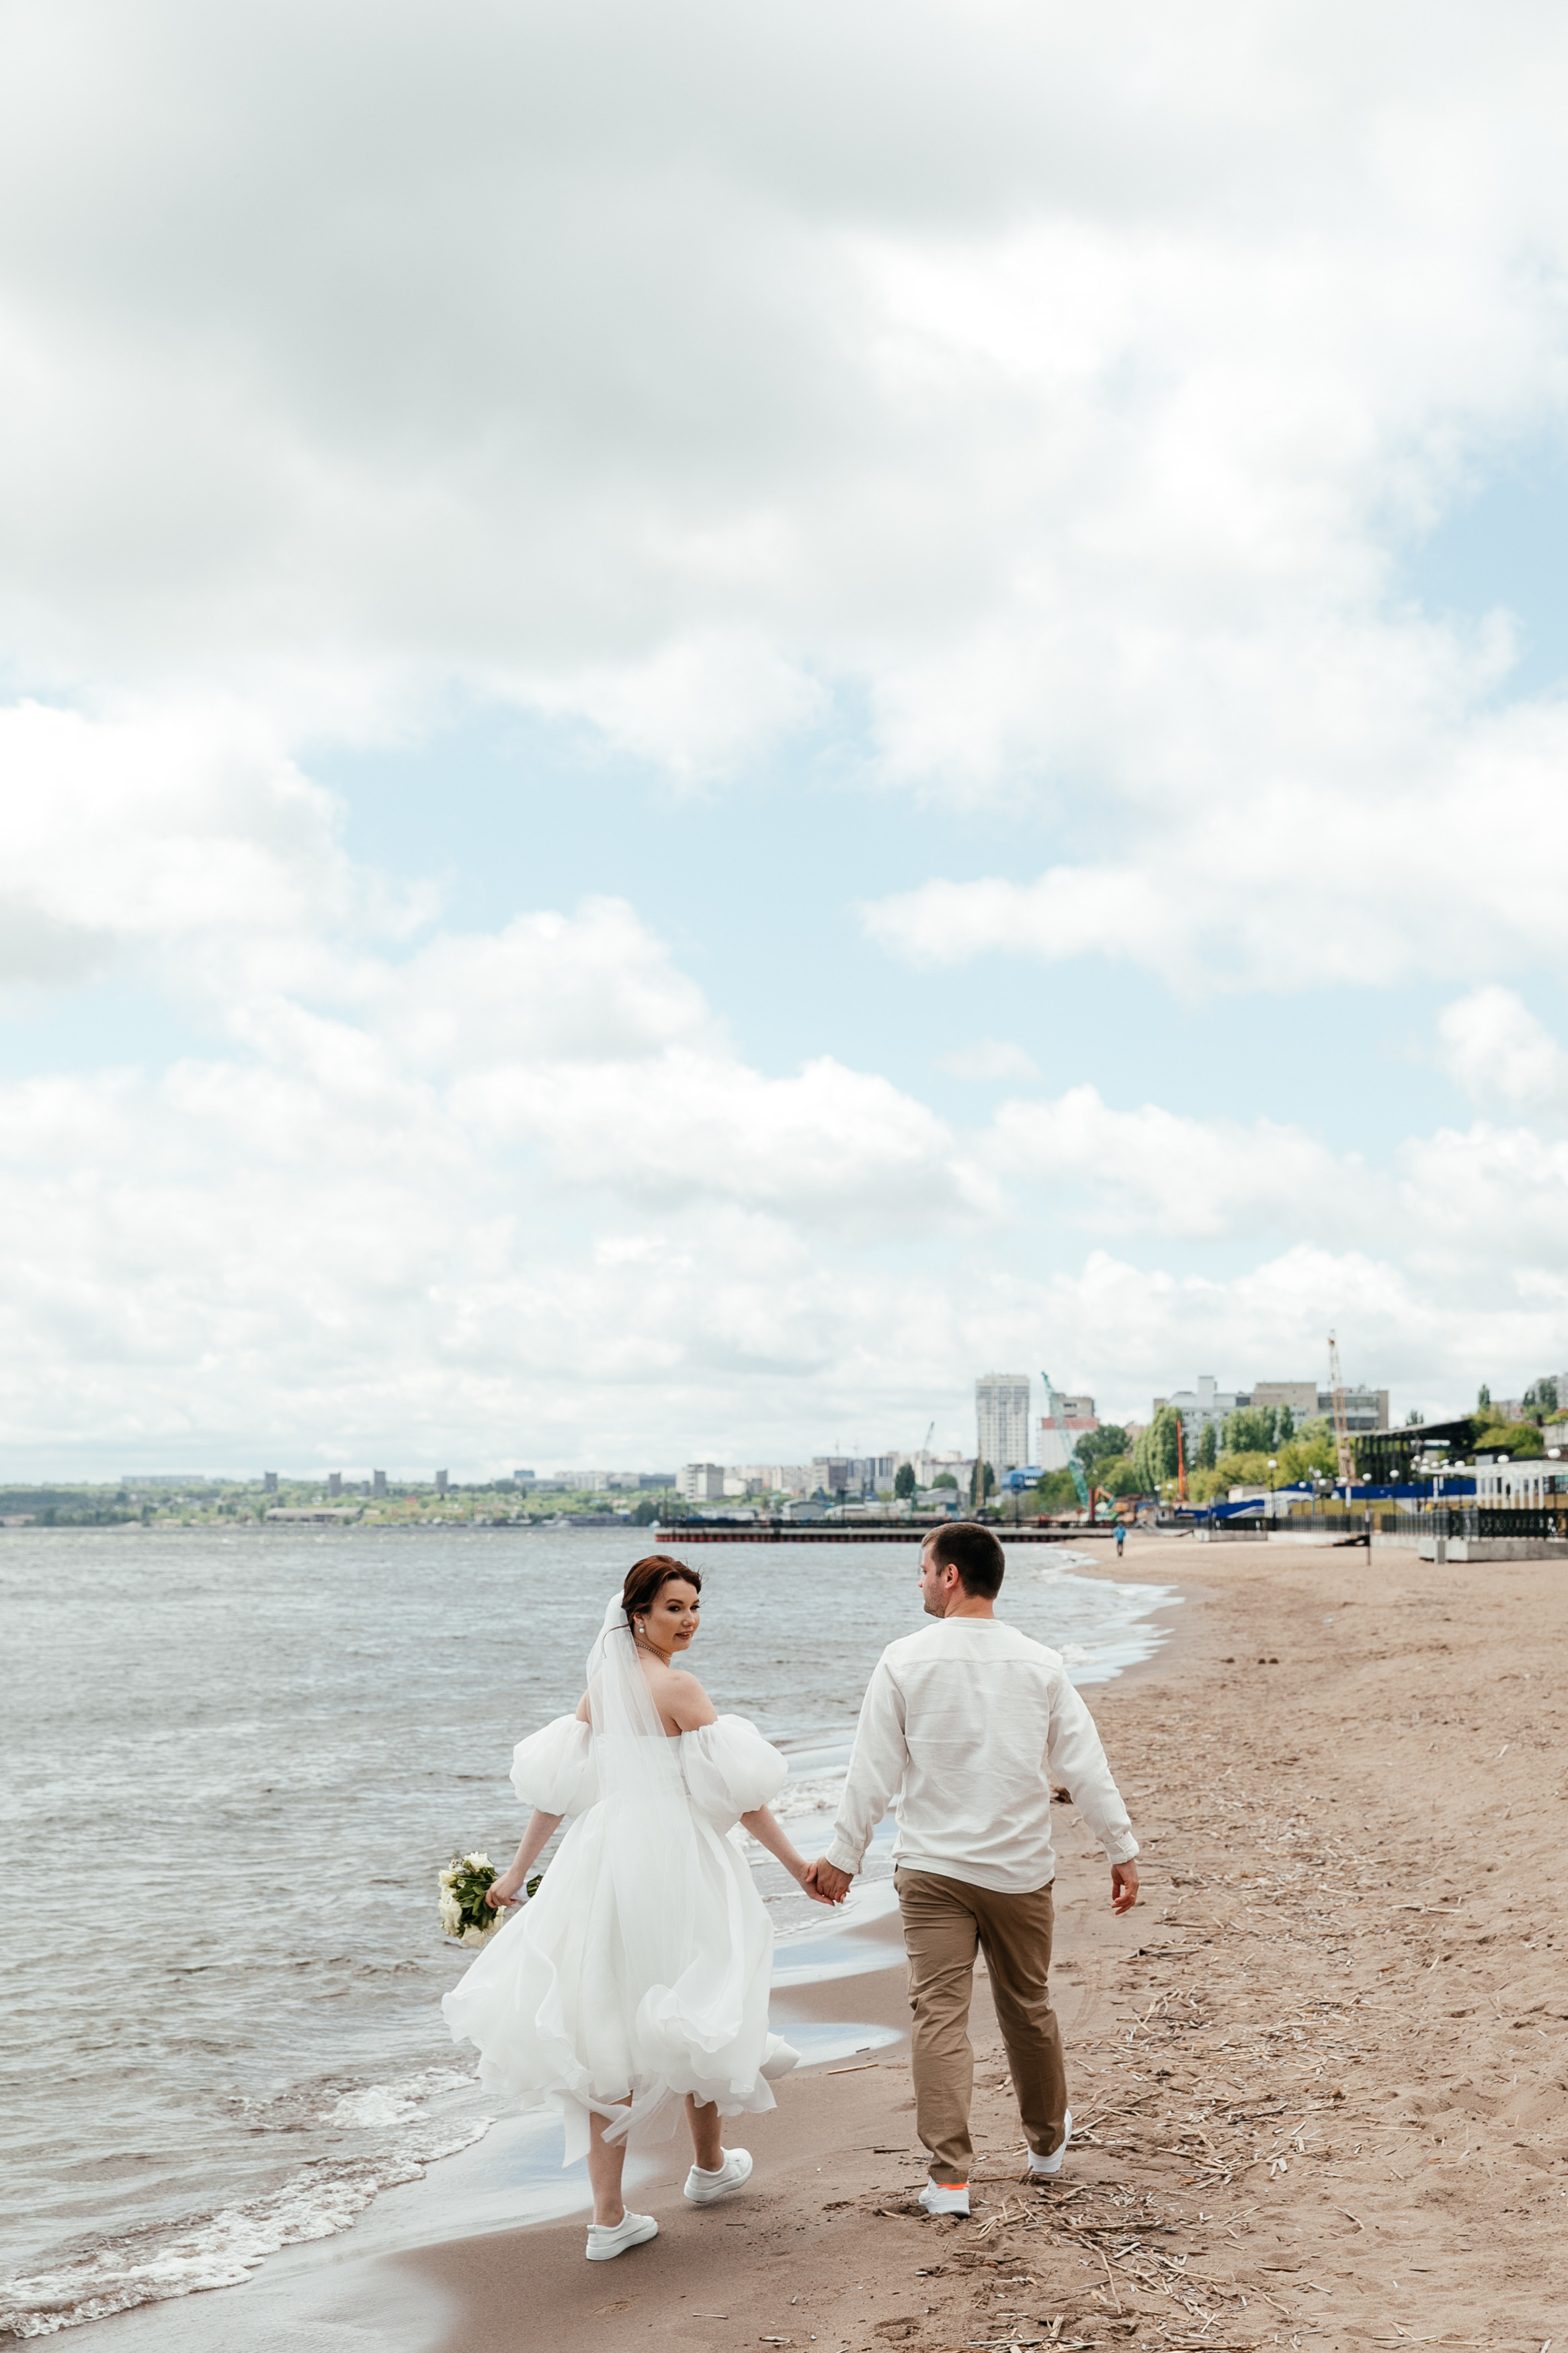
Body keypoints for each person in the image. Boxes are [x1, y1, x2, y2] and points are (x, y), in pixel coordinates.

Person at [443, 1556, 830, 2261]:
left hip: (602, 1859)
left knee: (607, 2022)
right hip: (676, 1858)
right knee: (690, 1999)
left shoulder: (604, 1684)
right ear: (637, 1615)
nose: (688, 1620)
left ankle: (610, 2216)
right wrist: (797, 1864)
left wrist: (520, 1870)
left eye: (693, 1607)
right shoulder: (679, 1687)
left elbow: (558, 1789)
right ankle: (706, 2171)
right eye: (674, 1607)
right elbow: (742, 1796)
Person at [805, 1522, 1139, 2218]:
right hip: (1018, 1869)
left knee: (938, 2018)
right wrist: (1120, 1847)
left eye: (923, 1569)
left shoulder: (903, 1658)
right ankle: (1045, 2147)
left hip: (931, 1869)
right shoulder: (1040, 1661)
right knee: (1028, 2008)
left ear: (950, 1575)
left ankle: (949, 2180)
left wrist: (842, 1858)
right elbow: (1083, 1763)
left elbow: (871, 1772)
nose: (919, 1580)